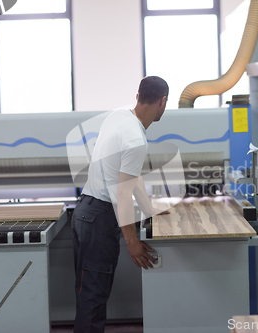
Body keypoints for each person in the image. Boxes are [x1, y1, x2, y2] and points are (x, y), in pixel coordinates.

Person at [71, 76, 169, 332]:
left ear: (137, 97)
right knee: (92, 298)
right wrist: (132, 243)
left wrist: (148, 210)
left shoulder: (118, 117)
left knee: (89, 293)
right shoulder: (136, 139)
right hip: (100, 219)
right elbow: (123, 195)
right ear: (163, 102)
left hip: (86, 212)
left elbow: (129, 175)